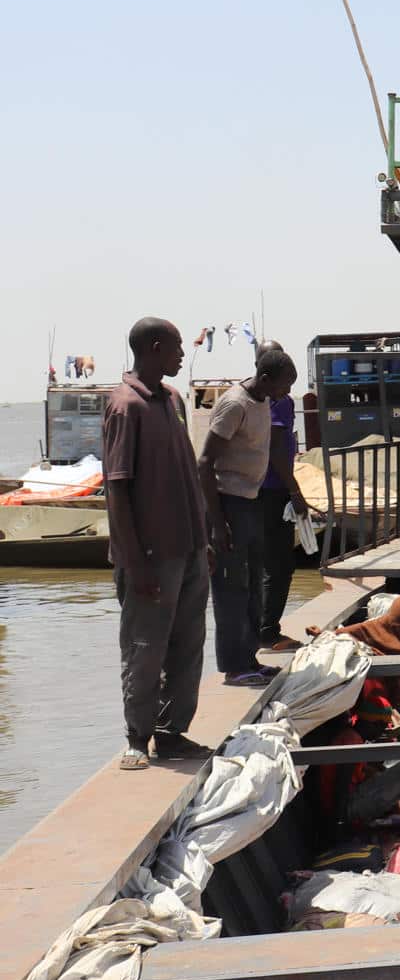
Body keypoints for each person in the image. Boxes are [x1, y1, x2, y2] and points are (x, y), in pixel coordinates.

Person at [102, 318, 210, 770]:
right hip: (150, 556)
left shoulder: (173, 399)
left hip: (189, 548)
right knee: (145, 648)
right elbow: (118, 489)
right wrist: (136, 563)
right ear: (155, 346)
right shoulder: (126, 406)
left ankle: (172, 734)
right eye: (177, 348)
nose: (183, 355)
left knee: (187, 645)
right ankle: (137, 737)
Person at [199, 344, 299, 688]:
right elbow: (204, 463)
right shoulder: (234, 404)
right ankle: (233, 666)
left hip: (253, 501)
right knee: (230, 588)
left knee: (254, 584)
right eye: (283, 387)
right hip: (229, 503)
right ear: (266, 378)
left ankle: (249, 658)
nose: (285, 394)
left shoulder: (264, 402)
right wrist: (216, 523)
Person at [255, 343, 312, 653]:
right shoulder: (280, 402)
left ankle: (262, 630)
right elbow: (277, 449)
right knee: (279, 566)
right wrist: (295, 490)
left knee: (265, 565)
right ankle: (268, 633)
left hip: (257, 491)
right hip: (274, 491)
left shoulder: (254, 399)